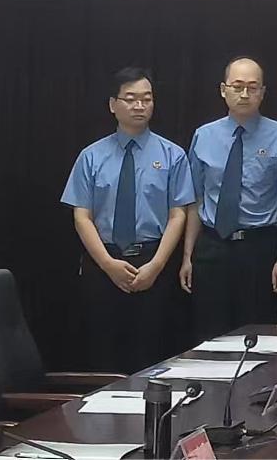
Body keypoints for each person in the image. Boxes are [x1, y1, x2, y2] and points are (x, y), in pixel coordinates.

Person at [60, 67, 194, 373]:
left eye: (147, 99)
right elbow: (81, 216)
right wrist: (108, 264)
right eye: (131, 99)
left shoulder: (172, 155)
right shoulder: (91, 156)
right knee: (102, 354)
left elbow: (178, 214)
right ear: (113, 104)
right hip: (103, 261)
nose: (139, 106)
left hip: (153, 260)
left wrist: (156, 266)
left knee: (152, 355)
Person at [180, 56, 277, 340]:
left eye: (252, 87)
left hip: (260, 249)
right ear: (223, 90)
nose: (245, 94)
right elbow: (196, 199)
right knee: (209, 333)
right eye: (237, 86)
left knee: (258, 335)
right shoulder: (203, 136)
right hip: (212, 247)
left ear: (263, 92)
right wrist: (187, 256)